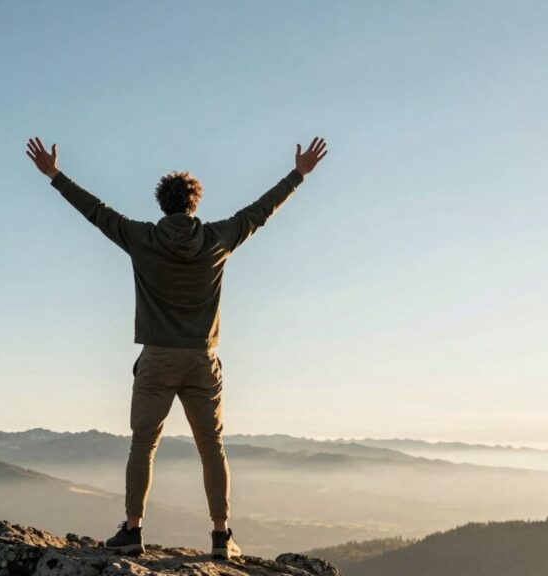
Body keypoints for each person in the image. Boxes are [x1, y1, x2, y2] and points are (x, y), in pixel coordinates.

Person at [25, 136, 328, 559]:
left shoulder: (142, 238)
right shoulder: (219, 238)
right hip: (203, 359)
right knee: (212, 448)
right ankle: (222, 537)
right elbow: (261, 212)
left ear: (162, 203)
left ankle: (132, 531)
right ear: (194, 203)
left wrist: (55, 175)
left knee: (143, 445)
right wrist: (298, 174)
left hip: (157, 358)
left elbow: (95, 212)